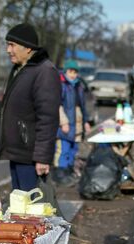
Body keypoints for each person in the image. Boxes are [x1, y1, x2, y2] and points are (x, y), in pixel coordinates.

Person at [0, 23, 60, 191]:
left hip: (31, 156)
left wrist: (42, 158)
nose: (8, 50)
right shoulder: (20, 69)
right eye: (7, 44)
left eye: (12, 45)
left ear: (28, 48)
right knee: (19, 206)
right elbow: (13, 106)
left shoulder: (44, 72)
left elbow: (48, 119)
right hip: (17, 153)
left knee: (31, 210)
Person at [52, 59, 89, 187]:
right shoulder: (61, 85)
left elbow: (83, 107)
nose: (73, 74)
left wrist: (86, 122)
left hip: (77, 126)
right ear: (65, 71)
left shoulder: (79, 86)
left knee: (73, 150)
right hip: (66, 125)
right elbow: (57, 105)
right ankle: (59, 175)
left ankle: (68, 172)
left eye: (75, 72)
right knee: (63, 150)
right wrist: (63, 123)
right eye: (71, 71)